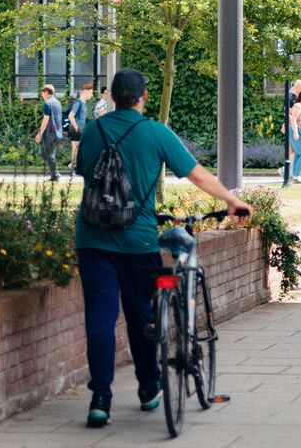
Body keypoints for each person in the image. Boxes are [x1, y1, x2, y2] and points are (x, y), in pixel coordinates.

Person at [74, 67, 249, 429]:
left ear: (110, 96)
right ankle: (149, 386)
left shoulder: (93, 130)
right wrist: (231, 201)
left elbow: (84, 171)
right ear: (144, 97)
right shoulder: (154, 132)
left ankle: (100, 399)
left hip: (93, 241)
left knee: (100, 319)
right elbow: (196, 174)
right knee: (143, 317)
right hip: (138, 243)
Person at [35, 84, 66, 181]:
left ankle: (55, 175)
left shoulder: (47, 103)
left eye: (42, 93)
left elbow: (45, 119)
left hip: (50, 132)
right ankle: (55, 173)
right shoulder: (57, 102)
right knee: (49, 153)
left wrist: (40, 133)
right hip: (57, 131)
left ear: (46, 92)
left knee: (49, 154)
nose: (42, 95)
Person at [67, 84, 94, 167]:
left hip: (80, 129)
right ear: (85, 92)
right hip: (76, 130)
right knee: (76, 148)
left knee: (78, 149)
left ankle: (75, 165)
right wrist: (76, 127)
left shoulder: (84, 103)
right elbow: (70, 116)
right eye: (91, 93)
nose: (91, 95)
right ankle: (73, 166)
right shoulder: (78, 103)